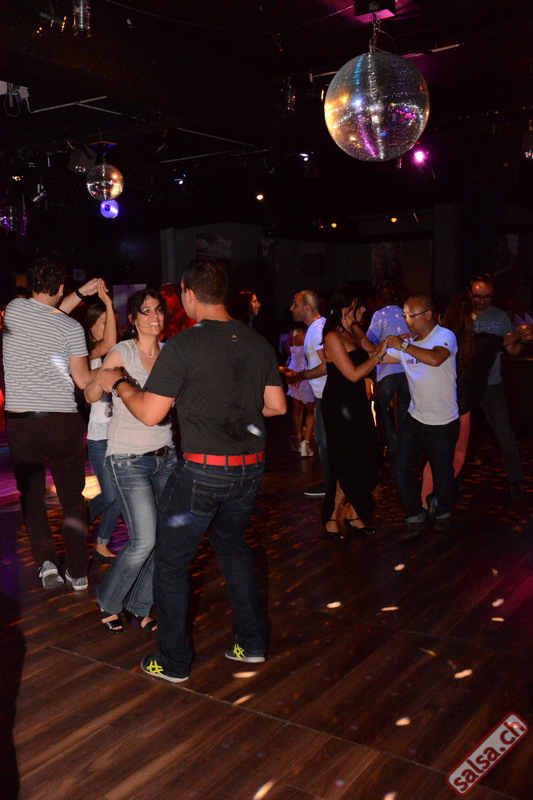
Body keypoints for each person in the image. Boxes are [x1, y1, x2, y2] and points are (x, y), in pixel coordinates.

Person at [98, 258, 286, 681]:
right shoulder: (256, 342)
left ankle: (173, 661)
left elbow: (150, 413)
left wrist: (120, 383)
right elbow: (276, 406)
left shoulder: (183, 345)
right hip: (250, 471)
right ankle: (252, 643)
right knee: (233, 549)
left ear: (187, 292)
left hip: (203, 474)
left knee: (170, 565)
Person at [2, 258, 103, 590]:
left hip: (22, 424)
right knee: (72, 500)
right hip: (61, 422)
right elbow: (82, 380)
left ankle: (46, 564)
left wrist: (78, 294)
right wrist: (107, 372)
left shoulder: (14, 310)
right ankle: (78, 572)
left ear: (30, 285)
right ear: (60, 287)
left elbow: (46, 311)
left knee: (32, 497)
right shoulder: (71, 328)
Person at [85, 289, 177, 633]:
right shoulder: (122, 351)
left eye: (159, 310)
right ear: (134, 319)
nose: (155, 316)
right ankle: (109, 600)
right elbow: (91, 394)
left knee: (164, 538)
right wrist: (102, 381)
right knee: (145, 538)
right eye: (146, 311)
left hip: (166, 456)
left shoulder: (170, 355)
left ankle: (140, 605)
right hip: (127, 457)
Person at [381, 293, 459, 540]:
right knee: (401, 464)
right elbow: (379, 357)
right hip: (415, 417)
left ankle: (442, 511)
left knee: (442, 472)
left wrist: (403, 345)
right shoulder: (409, 342)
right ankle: (414, 515)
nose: (407, 320)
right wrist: (362, 339)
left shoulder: (445, 336)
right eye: (405, 315)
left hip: (443, 420)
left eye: (411, 315)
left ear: (428, 315)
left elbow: (435, 358)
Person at [420, 294, 501, 504]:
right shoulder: (476, 343)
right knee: (456, 456)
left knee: (437, 457)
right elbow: (498, 342)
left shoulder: (439, 339)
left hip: (438, 405)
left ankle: (426, 499)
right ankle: (435, 496)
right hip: (459, 406)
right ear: (470, 316)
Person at [321, 287, 387, 538]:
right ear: (344, 307)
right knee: (346, 461)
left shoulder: (355, 331)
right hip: (340, 405)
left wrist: (407, 349)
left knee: (365, 458)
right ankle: (331, 517)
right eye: (358, 306)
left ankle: (353, 513)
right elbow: (353, 374)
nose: (364, 310)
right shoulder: (332, 337)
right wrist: (380, 353)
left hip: (357, 402)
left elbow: (375, 355)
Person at [468, 273, 532, 498]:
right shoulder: (461, 315)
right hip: (465, 384)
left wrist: (523, 340)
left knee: (505, 433)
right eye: (478, 296)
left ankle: (516, 481)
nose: (482, 301)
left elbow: (512, 350)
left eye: (487, 296)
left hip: (491, 383)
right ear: (470, 294)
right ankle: (451, 485)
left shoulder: (500, 316)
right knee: (456, 436)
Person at [83, 284, 121, 562]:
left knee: (118, 495)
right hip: (98, 436)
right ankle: (77, 522)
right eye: (104, 323)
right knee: (109, 495)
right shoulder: (86, 357)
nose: (109, 328)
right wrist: (107, 303)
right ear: (91, 328)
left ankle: (102, 542)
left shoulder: (116, 355)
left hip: (120, 434)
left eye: (112, 322)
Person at [286, 290, 329, 497]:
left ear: (307, 308)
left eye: (295, 304)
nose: (291, 308)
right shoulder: (316, 328)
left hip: (327, 395)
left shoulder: (316, 329)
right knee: (323, 441)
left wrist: (300, 376)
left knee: (325, 441)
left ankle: (331, 485)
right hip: (323, 394)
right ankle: (331, 483)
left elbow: (328, 364)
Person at [366, 285, 410, 462]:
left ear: (380, 300)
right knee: (404, 410)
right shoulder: (405, 313)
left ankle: (392, 446)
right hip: (406, 369)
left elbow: (369, 339)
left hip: (387, 370)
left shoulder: (380, 314)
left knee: (382, 410)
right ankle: (405, 448)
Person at [286, 326, 315, 456]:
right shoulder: (304, 335)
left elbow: (288, 350)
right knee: (312, 410)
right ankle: (306, 442)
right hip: (302, 374)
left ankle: (297, 438)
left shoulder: (291, 334)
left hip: (291, 371)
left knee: (297, 408)